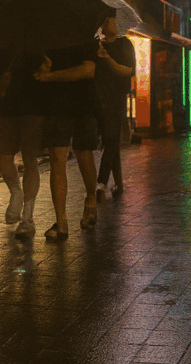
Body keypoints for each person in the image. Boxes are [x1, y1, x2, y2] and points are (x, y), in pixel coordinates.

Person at [35, 40, 99, 239]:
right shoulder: (47, 35)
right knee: (57, 159)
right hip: (55, 103)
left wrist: (51, 76)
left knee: (83, 154)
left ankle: (91, 201)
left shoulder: (84, 34)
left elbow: (88, 70)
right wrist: (41, 66)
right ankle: (61, 222)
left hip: (83, 102)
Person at [0, 45, 47, 239]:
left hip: (34, 105)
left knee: (30, 159)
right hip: (6, 105)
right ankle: (16, 193)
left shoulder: (38, 38)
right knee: (4, 158)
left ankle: (28, 217)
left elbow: (46, 69)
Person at [94, 16, 136, 201]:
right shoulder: (98, 45)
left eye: (108, 20)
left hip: (116, 98)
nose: (105, 23)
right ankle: (118, 184)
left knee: (111, 140)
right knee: (111, 141)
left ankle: (101, 183)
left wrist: (107, 59)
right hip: (99, 99)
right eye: (103, 20)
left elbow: (127, 70)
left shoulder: (124, 44)